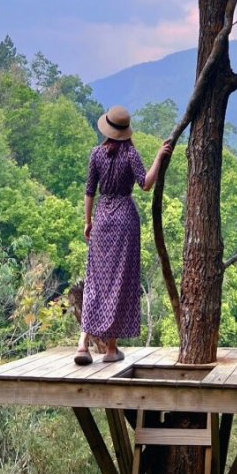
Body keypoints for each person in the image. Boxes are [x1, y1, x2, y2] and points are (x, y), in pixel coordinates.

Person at [75, 105, 172, 364]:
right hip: (126, 222)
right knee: (118, 282)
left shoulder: (96, 154)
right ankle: (110, 350)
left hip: (103, 220)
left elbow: (89, 192)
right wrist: (159, 158)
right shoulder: (131, 154)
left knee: (96, 279)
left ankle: (83, 344)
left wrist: (88, 222)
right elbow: (146, 184)